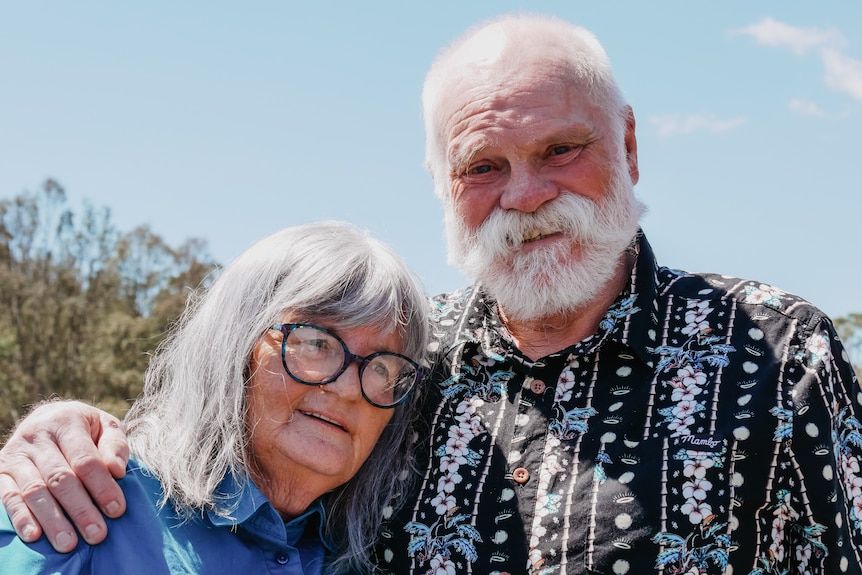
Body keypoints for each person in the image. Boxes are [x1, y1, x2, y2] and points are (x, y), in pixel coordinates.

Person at [2, 13, 861, 575]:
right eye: (484, 165)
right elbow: (224, 469)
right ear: (441, 183)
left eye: (561, 149)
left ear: (628, 144)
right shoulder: (402, 363)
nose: (525, 195)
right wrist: (71, 432)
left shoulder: (780, 353)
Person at [0, 220, 430, 574]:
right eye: (316, 343)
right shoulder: (73, 499)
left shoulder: (372, 559)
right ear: (234, 347)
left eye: (382, 367)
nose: (348, 388)